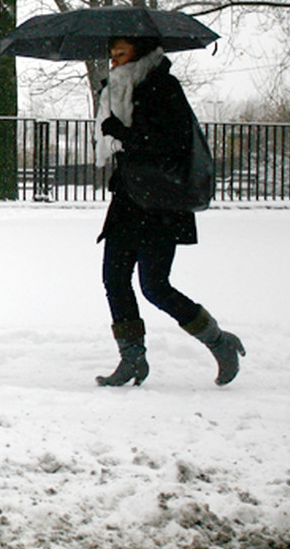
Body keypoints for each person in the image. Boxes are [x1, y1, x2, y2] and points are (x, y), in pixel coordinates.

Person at [93, 36, 245, 387]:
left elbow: (170, 144)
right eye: (111, 55)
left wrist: (123, 133)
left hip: (161, 203)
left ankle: (219, 342)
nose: (114, 62)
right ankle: (132, 358)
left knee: (155, 286)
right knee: (114, 280)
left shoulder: (164, 87)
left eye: (121, 54)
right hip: (129, 200)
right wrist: (116, 134)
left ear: (141, 53)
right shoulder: (118, 90)